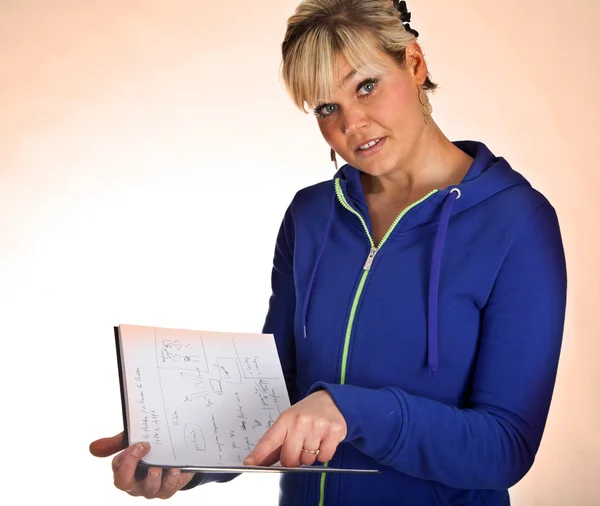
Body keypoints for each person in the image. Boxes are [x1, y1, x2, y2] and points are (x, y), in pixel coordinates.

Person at [89, 0, 568, 504]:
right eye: (325, 107)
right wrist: (187, 455)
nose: (352, 123)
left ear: (415, 63)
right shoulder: (312, 215)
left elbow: (505, 446)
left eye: (366, 86)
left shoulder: (516, 223)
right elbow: (279, 394)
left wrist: (349, 411)